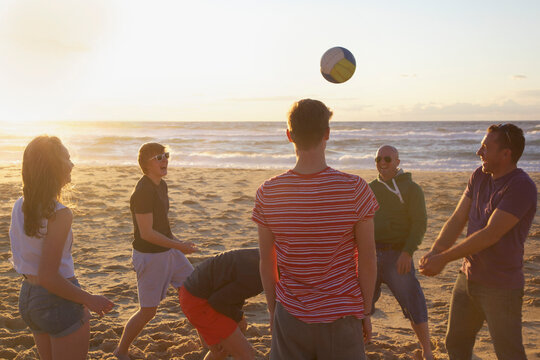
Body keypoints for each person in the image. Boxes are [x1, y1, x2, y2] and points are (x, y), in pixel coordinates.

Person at [253, 99, 379, 360]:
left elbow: (267, 261)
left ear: (289, 136)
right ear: (327, 134)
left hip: (291, 314)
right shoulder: (355, 189)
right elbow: (368, 259)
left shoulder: (269, 192)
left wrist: (273, 310)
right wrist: (365, 312)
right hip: (342, 315)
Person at [419, 124, 537, 359]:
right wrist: (435, 252)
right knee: (456, 344)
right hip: (468, 279)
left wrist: (444, 258)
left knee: (509, 353)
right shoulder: (479, 175)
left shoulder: (522, 186)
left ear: (506, 154)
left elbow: (491, 233)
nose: (478, 152)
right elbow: (457, 218)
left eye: (485, 147)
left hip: (501, 286)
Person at [9, 135, 115, 360]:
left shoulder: (20, 205)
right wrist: (89, 298)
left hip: (29, 296)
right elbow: (49, 276)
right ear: (53, 167)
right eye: (67, 158)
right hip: (57, 298)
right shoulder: (60, 213)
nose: (72, 164)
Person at [114, 143, 198, 359]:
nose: (164, 160)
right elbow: (147, 234)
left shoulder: (161, 185)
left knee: (195, 292)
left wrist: (179, 244)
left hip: (169, 251)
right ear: (145, 164)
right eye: (159, 157)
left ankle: (208, 341)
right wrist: (179, 246)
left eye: (166, 155)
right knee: (148, 311)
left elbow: (163, 227)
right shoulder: (142, 192)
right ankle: (121, 350)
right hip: (150, 256)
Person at [368, 145, 433, 360]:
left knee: (413, 300)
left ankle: (427, 349)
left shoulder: (412, 189)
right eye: (378, 159)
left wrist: (408, 252)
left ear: (397, 162)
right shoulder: (369, 189)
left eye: (387, 159)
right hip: (370, 254)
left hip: (397, 255)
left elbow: (420, 224)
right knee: (360, 303)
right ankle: (359, 345)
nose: (382, 163)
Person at [179, 248, 263, 360]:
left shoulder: (262, 256)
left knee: (221, 351)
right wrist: (237, 317)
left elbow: (234, 291)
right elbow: (218, 301)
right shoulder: (257, 276)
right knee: (245, 354)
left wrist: (237, 317)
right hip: (197, 300)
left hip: (194, 292)